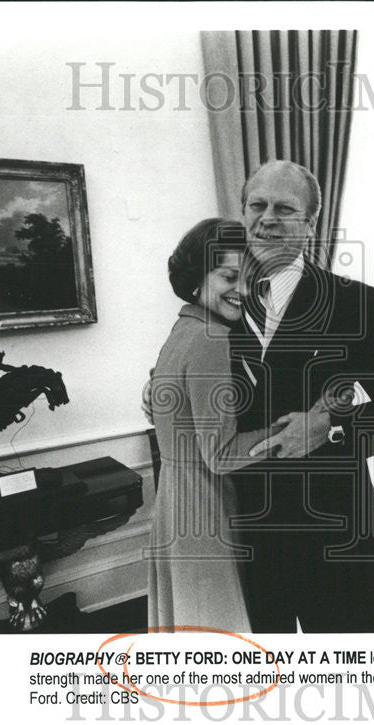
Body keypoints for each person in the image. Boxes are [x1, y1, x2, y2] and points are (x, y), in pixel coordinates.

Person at [227, 160, 374, 633]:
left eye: (285, 208)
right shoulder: (220, 305)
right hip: (248, 545)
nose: (267, 218)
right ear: (242, 214)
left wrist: (331, 428)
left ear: (310, 223)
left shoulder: (352, 302)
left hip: (337, 542)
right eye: (256, 206)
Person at [147, 218, 319, 633]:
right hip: (205, 511)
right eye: (228, 276)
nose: (241, 290)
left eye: (248, 279)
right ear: (195, 276)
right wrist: (295, 428)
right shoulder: (211, 338)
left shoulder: (183, 328)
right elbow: (221, 455)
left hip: (174, 504)